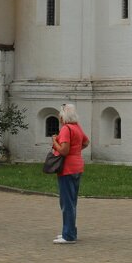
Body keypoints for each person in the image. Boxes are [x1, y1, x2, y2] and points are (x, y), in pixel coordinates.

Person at [51, 103, 89, 244]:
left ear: (63, 116)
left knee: (67, 203)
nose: (59, 118)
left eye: (60, 116)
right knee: (71, 201)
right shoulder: (76, 127)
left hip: (67, 169)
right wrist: (76, 151)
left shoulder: (66, 129)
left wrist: (54, 141)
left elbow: (64, 151)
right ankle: (69, 231)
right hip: (77, 166)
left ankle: (68, 235)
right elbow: (86, 142)